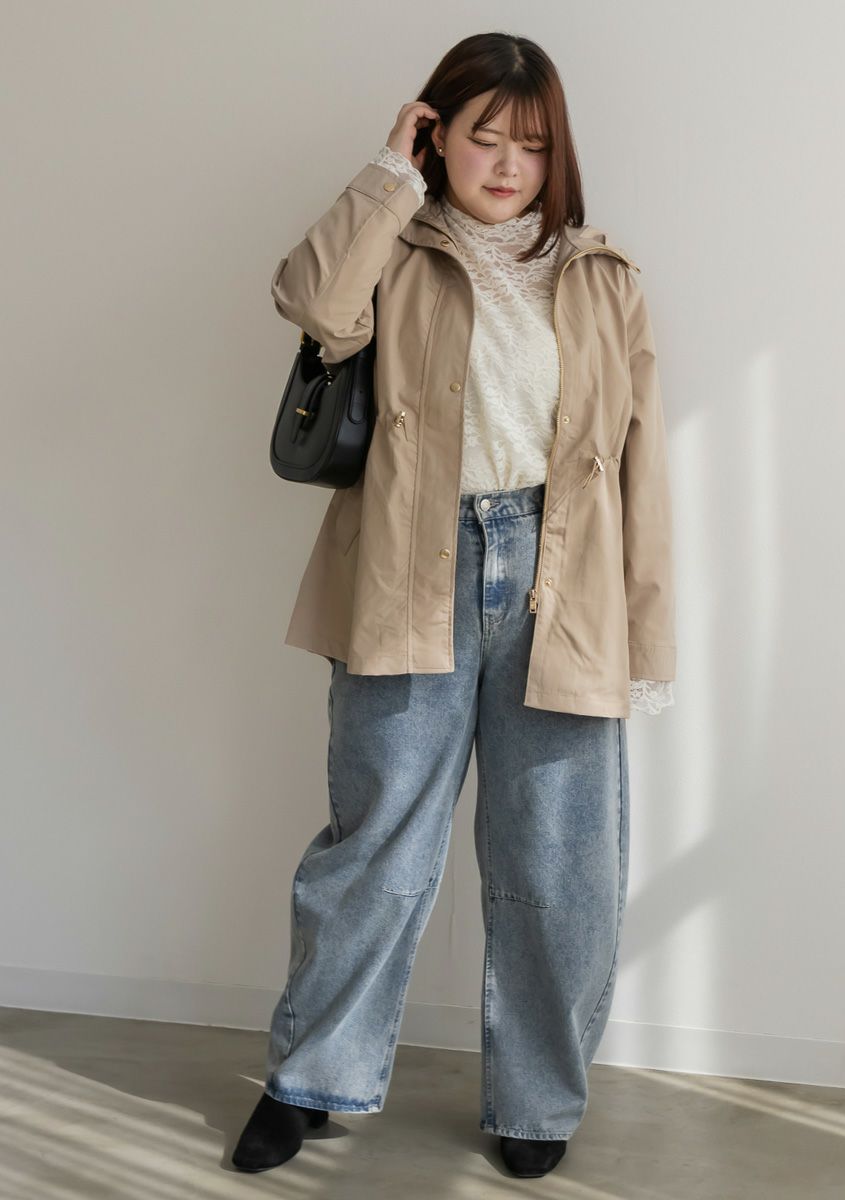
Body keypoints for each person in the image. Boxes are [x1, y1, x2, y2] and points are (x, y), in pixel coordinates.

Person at [232, 31, 676, 1181]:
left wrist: (645, 639)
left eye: (533, 144)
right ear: (439, 136)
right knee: (373, 848)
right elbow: (310, 301)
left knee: (559, 863)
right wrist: (390, 169)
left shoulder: (605, 279)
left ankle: (536, 1099)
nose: (509, 164)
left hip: (561, 582)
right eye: (483, 137)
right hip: (408, 570)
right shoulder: (397, 251)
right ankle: (309, 1080)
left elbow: (641, 473)